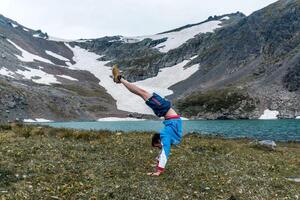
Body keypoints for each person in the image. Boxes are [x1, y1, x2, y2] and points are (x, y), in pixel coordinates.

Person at [112, 65, 183, 176]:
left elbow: (163, 152)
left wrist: (158, 166)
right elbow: (165, 152)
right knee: (142, 93)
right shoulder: (166, 136)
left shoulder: (166, 136)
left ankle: (120, 79)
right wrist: (159, 170)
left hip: (165, 111)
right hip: (164, 110)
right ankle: (120, 79)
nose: (160, 148)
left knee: (142, 93)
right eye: (158, 147)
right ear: (159, 141)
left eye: (158, 147)